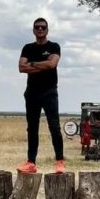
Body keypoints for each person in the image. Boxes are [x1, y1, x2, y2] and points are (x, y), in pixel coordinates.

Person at [17, 17, 64, 174]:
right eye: (37, 27)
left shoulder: (54, 46)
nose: (40, 29)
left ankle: (59, 162)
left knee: (54, 127)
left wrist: (32, 63)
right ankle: (31, 162)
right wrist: (43, 64)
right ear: (33, 30)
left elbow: (52, 64)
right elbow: (21, 68)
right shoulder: (27, 48)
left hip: (49, 92)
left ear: (47, 30)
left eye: (43, 27)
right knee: (32, 128)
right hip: (32, 93)